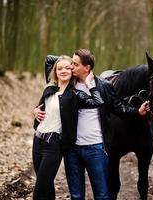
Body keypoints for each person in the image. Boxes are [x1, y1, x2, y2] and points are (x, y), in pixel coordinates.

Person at [63, 49, 150, 200]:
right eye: (71, 63)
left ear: (87, 68)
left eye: (75, 64)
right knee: (76, 196)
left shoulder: (104, 86)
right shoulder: (67, 84)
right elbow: (50, 67)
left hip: (96, 148)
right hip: (72, 149)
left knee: (103, 195)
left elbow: (118, 108)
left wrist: (137, 112)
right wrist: (38, 110)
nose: (71, 67)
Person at [32, 55, 104, 200]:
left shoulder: (75, 94)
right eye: (60, 68)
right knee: (47, 189)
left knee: (39, 192)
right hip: (38, 141)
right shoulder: (50, 86)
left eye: (67, 68)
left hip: (53, 145)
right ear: (55, 71)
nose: (63, 71)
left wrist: (90, 84)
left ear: (72, 71)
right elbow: (48, 59)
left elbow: (98, 101)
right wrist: (35, 110)